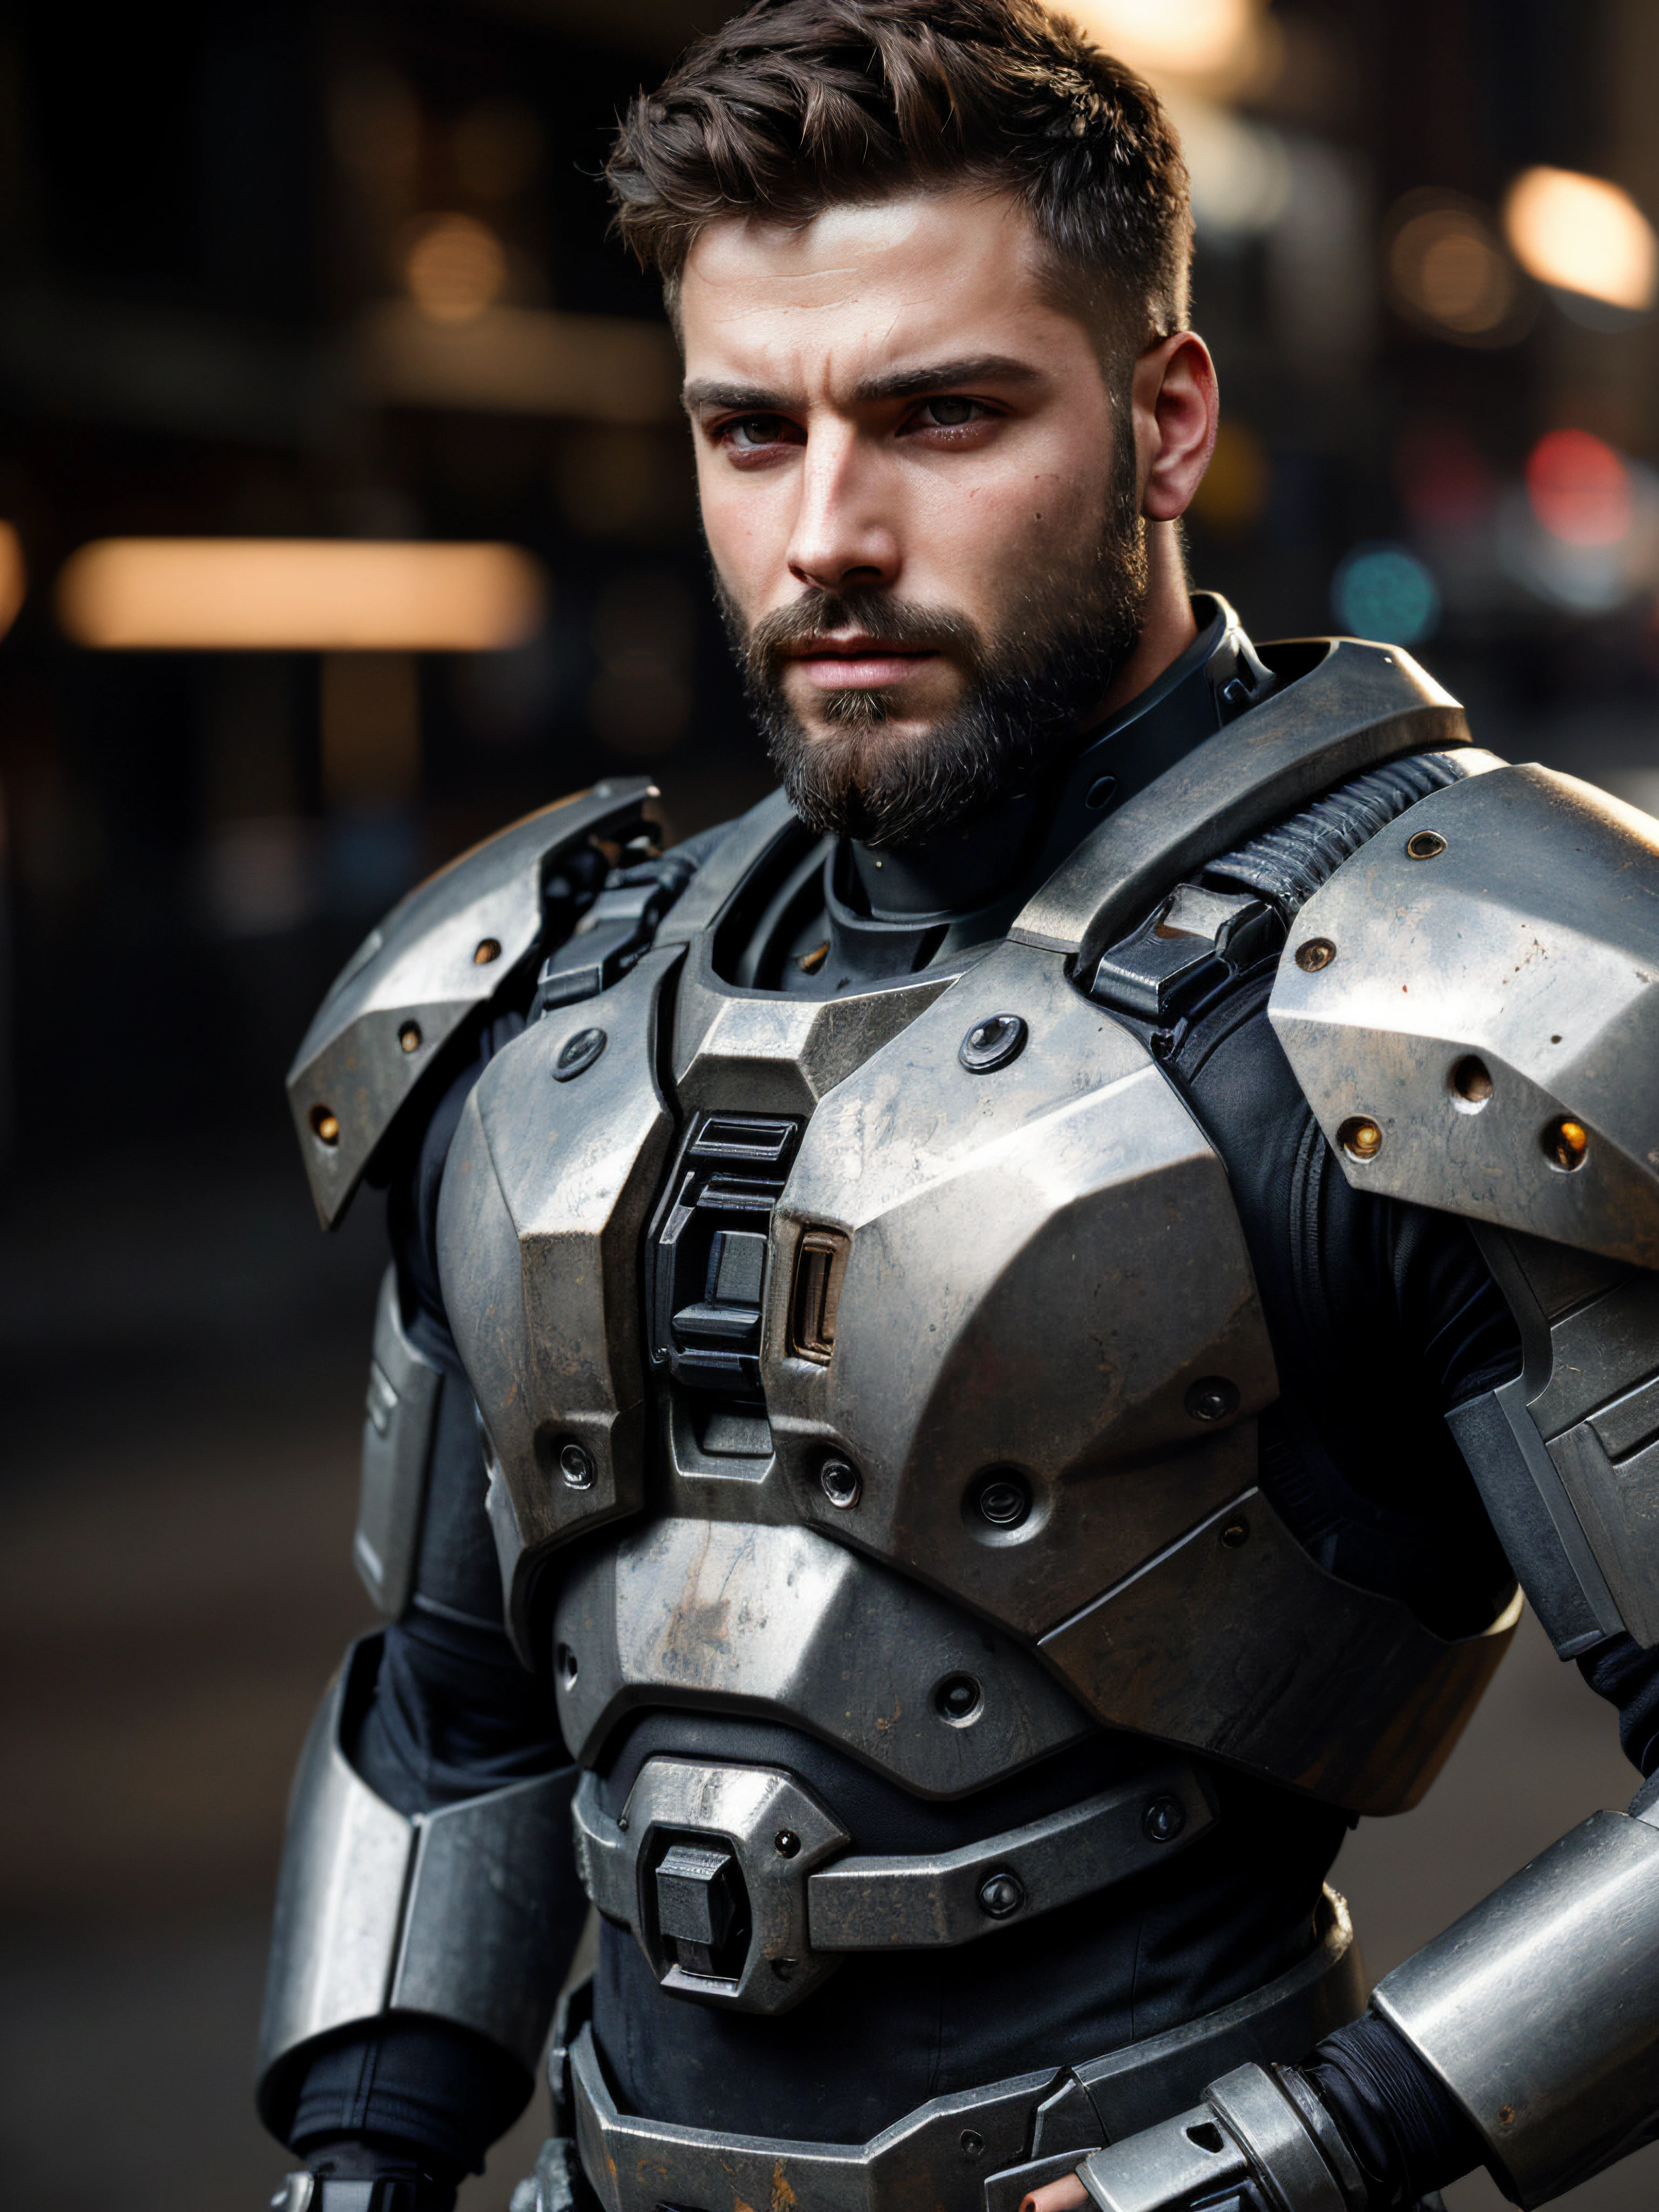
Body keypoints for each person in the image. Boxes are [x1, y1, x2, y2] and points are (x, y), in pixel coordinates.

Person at [257, 5, 1659, 2210]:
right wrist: (363, 2164)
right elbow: (449, 1716)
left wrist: (1322, 2144)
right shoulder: (542, 1001)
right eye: (750, 430)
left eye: (940, 414)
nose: (826, 532)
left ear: (1165, 418)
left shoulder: (1446, 982)